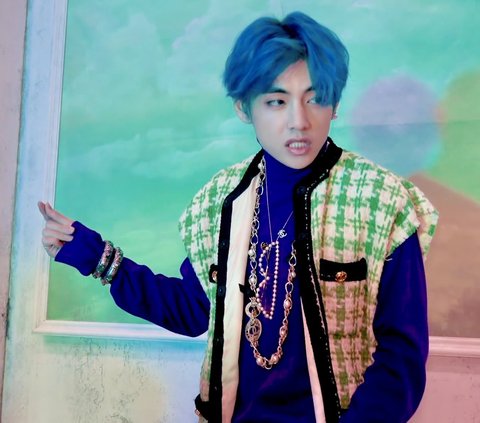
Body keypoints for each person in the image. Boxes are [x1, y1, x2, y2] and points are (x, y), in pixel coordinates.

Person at [39, 11, 438, 423]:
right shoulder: (220, 200)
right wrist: (96, 256)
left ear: (334, 104)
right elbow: (194, 310)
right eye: (276, 101)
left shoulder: (380, 201)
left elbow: (402, 358)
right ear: (244, 108)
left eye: (315, 97)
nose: (299, 121)